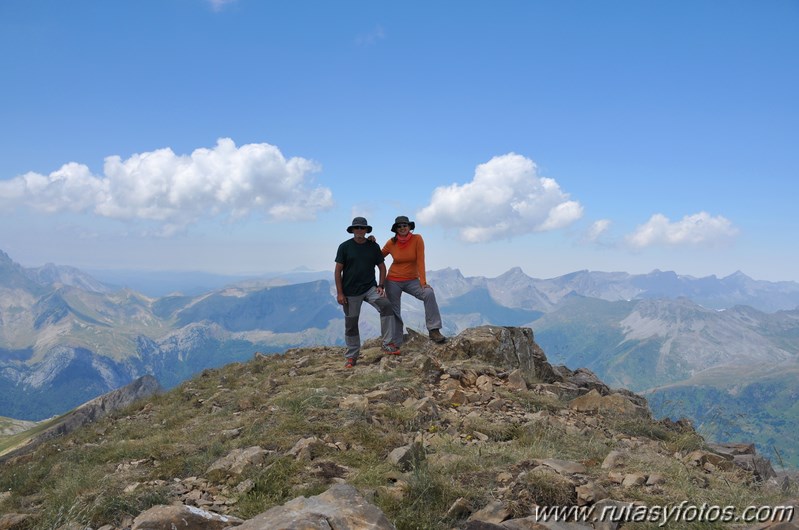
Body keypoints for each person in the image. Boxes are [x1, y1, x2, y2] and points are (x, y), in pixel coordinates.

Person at [334, 216, 400, 368]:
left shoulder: (373, 246)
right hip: (350, 292)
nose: (359, 230)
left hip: (370, 288)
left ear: (366, 230)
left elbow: (382, 267)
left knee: (386, 306)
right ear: (352, 230)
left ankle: (387, 344)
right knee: (351, 323)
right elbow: (338, 271)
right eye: (356, 228)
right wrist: (340, 293)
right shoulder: (344, 247)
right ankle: (352, 356)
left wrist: (381, 285)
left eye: (362, 228)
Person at [379, 215, 447, 345]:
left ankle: (434, 330)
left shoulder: (417, 239)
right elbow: (378, 256)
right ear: (396, 229)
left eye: (405, 225)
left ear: (410, 227)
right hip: (393, 280)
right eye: (399, 226)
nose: (402, 228)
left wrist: (423, 283)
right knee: (394, 310)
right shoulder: (391, 242)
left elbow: (421, 261)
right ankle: (396, 341)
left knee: (428, 294)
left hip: (412, 280)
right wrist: (370, 243)